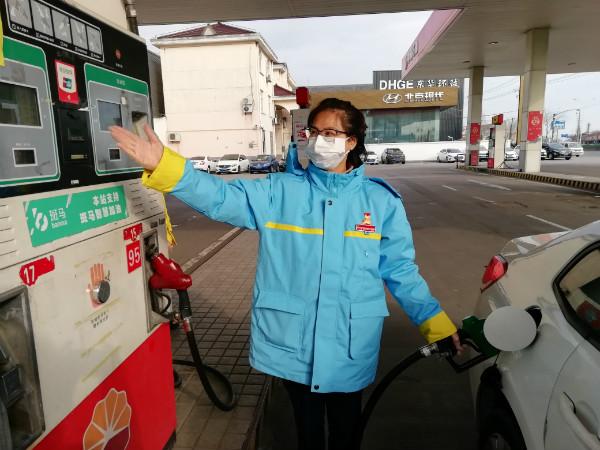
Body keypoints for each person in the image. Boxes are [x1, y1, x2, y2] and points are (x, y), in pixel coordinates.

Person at [110, 98, 462, 450]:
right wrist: (167, 166)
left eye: (330, 133)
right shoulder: (279, 192)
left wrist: (437, 325)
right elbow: (220, 197)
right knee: (307, 434)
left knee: (347, 433)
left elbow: (401, 271)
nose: (319, 141)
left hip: (350, 344)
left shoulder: (382, 202)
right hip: (296, 347)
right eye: (314, 132)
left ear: (352, 141)